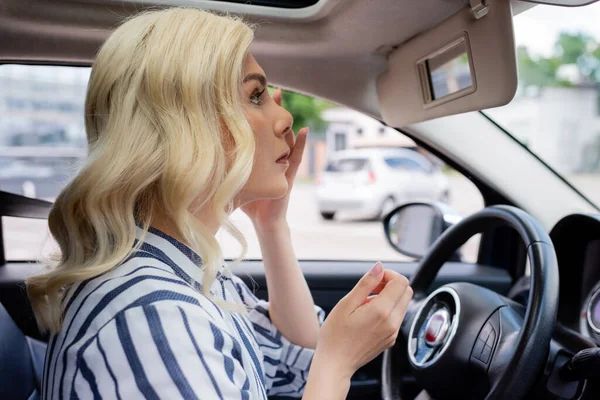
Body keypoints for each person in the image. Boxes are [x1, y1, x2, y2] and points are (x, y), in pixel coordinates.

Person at [26, 8, 413, 400]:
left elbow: (298, 356)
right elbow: (320, 363)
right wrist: (338, 362)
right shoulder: (153, 314)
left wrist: (271, 225)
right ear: (186, 128)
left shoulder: (186, 272)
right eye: (256, 96)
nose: (283, 117)